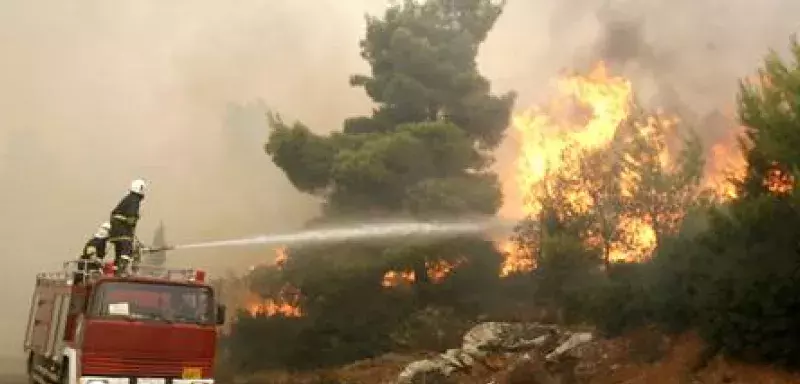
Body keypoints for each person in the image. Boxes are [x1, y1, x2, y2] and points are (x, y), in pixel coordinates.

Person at [108, 179, 147, 276]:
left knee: (119, 252)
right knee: (127, 249)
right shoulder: (134, 200)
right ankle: (121, 271)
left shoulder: (127, 198)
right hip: (123, 230)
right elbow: (131, 217)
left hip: (115, 231)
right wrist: (135, 218)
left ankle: (116, 271)